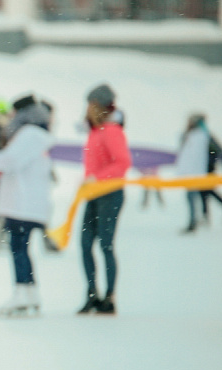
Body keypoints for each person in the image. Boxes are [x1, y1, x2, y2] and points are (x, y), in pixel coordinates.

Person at [0, 97, 54, 317]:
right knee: (23, 248)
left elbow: (11, 160)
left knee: (18, 248)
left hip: (21, 203)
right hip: (28, 202)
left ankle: (21, 292)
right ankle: (31, 292)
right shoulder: (38, 136)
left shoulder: (29, 135)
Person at [77, 84, 131, 315]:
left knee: (106, 244)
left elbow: (122, 162)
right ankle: (92, 293)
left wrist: (96, 178)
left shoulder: (111, 130)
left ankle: (109, 296)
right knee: (85, 244)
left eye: (90, 104)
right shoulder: (96, 131)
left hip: (109, 193)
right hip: (94, 194)